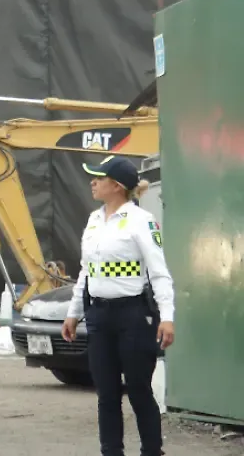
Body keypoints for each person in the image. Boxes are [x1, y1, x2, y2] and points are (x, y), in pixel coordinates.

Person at [62, 155, 174, 456]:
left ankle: (152, 450)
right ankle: (111, 451)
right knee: (106, 394)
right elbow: (87, 270)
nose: (92, 182)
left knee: (138, 390)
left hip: (133, 316)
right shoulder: (94, 219)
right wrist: (73, 313)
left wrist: (167, 318)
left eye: (98, 177)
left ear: (117, 185)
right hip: (98, 316)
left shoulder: (141, 221)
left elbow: (159, 272)